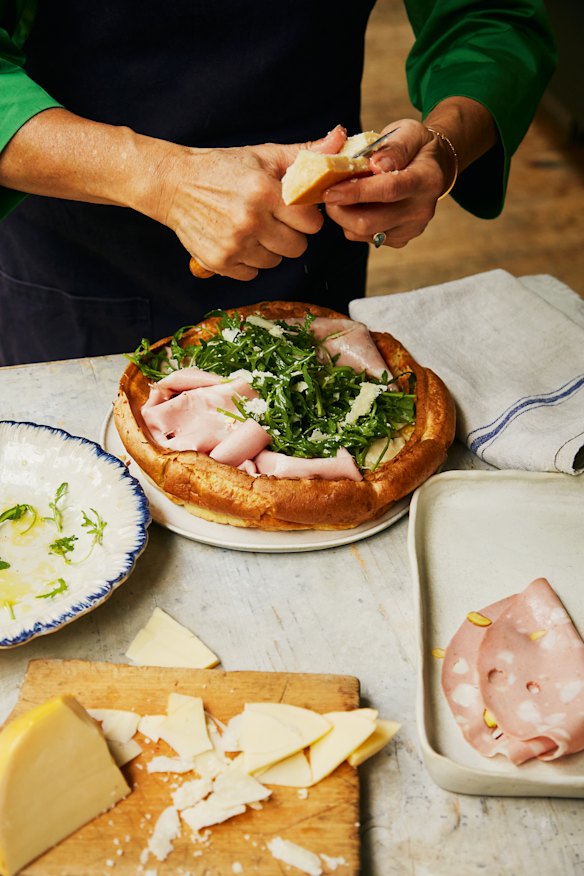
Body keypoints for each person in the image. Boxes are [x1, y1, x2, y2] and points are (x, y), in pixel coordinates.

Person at [0, 2, 556, 365]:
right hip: (81, 256)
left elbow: (490, 18)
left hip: (310, 249)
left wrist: (444, 148)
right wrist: (162, 178)